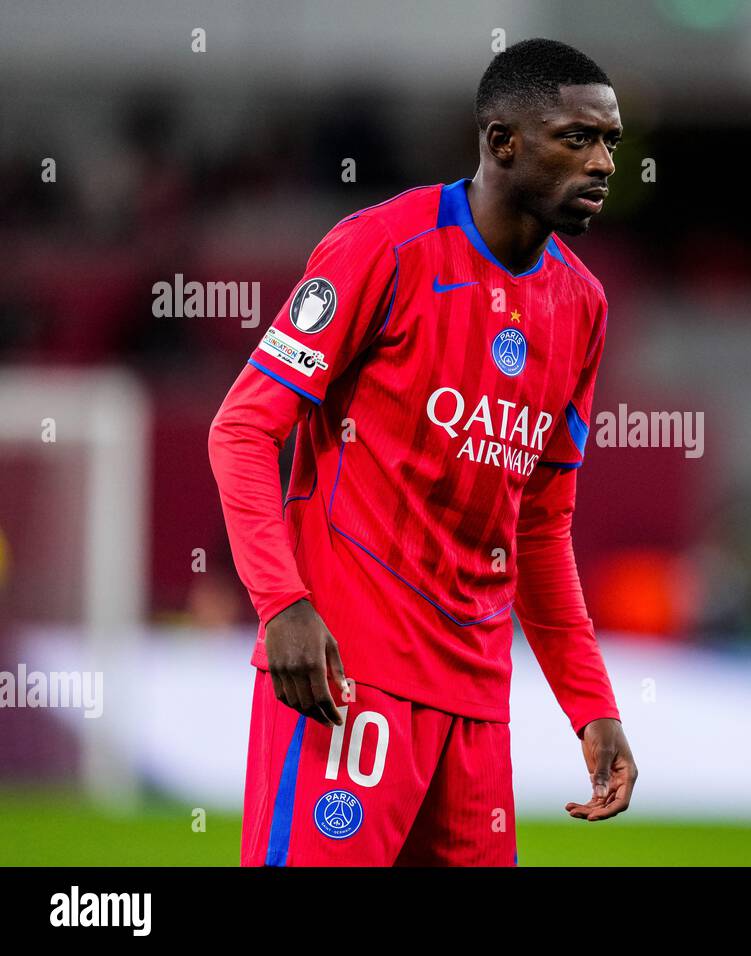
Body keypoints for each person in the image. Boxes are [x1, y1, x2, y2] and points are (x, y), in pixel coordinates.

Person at [208, 38, 636, 866]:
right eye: (577, 138)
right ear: (502, 140)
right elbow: (242, 429)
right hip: (347, 673)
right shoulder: (382, 248)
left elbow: (540, 525)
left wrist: (592, 706)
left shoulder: (581, 305)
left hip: (476, 699)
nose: (603, 162)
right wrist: (283, 603)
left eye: (610, 141)